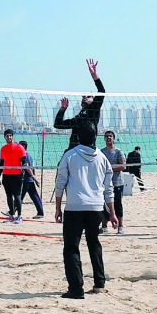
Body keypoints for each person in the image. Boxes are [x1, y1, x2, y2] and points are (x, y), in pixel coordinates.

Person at [54, 123, 116, 299]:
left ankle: (76, 289)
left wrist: (58, 207)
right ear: (95, 137)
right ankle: (99, 283)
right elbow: (108, 188)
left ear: (78, 137)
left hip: (74, 207)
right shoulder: (102, 158)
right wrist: (111, 213)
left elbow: (60, 183)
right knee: (94, 243)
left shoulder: (70, 156)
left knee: (71, 248)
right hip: (96, 208)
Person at [54, 58, 105, 149]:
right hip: (73, 149)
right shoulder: (77, 120)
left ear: (93, 99)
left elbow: (101, 91)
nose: (85, 97)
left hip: (88, 149)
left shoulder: (94, 109)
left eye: (88, 96)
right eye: (83, 96)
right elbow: (58, 124)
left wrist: (94, 74)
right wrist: (62, 109)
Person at [0, 129, 27, 224]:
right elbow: (1, 164)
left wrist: (23, 170)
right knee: (8, 196)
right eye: (7, 136)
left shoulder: (19, 147)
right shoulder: (3, 149)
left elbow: (24, 161)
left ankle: (19, 216)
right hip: (6, 175)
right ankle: (12, 216)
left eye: (10, 135)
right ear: (4, 137)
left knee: (17, 196)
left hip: (17, 175)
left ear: (12, 136)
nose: (9, 137)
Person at [100, 131, 126, 232]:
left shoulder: (118, 152)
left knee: (117, 204)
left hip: (117, 182)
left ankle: (120, 226)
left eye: (110, 136)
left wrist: (110, 169)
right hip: (104, 183)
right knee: (105, 204)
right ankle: (104, 226)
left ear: (113, 139)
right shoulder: (101, 152)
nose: (108, 138)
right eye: (106, 136)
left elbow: (123, 166)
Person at [19, 140, 45, 219]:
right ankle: (40, 212)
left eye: (20, 146)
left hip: (26, 179)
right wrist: (34, 177)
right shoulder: (29, 155)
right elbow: (33, 167)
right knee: (34, 196)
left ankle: (12, 212)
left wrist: (33, 177)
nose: (18, 148)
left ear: (23, 147)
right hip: (29, 179)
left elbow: (27, 167)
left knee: (19, 196)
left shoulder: (25, 155)